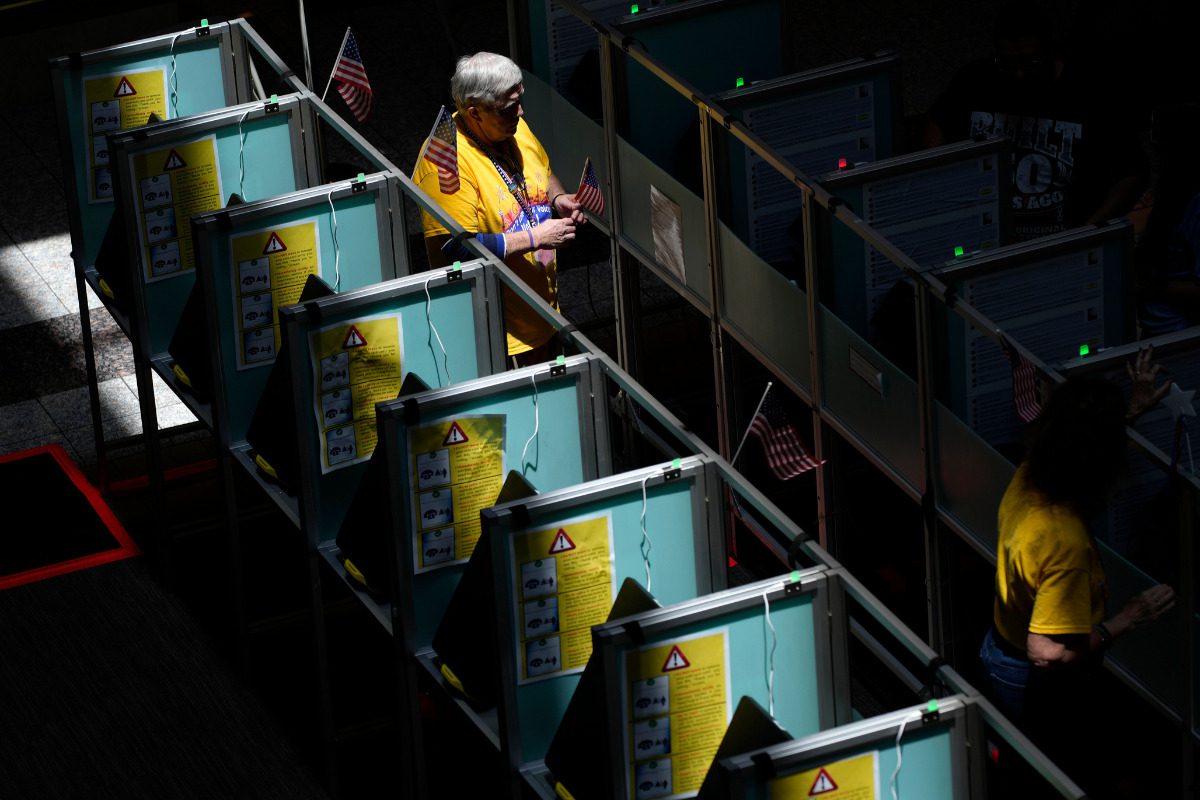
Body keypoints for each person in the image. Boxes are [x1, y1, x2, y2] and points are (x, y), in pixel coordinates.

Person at [979, 353, 1175, 793]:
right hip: (1036, 682)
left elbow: (1074, 443)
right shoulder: (1062, 539)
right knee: (1051, 778)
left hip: (998, 646)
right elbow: (1045, 652)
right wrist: (1129, 617)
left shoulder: (1030, 474)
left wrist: (1129, 413)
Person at [922, 0, 1147, 243]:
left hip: (1063, 236)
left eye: (1031, 65)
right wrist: (942, 188)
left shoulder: (1090, 92)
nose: (1019, 74)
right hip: (986, 235)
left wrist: (1085, 234)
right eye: (1007, 65)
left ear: (1050, 52)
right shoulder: (976, 79)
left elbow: (1133, 175)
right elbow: (937, 121)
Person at [415, 51, 586, 365]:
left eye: (520, 101)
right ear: (474, 112)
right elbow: (456, 248)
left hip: (543, 315)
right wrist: (535, 238)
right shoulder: (445, 161)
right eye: (509, 108)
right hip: (501, 339)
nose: (520, 113)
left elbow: (543, 172)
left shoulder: (509, 125)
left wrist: (559, 198)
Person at [1135, 102, 1200, 335]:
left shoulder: (1195, 205)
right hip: (1160, 331)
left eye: (1160, 144)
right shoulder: (1173, 194)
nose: (1154, 151)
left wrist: (1154, 287)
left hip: (1181, 338)